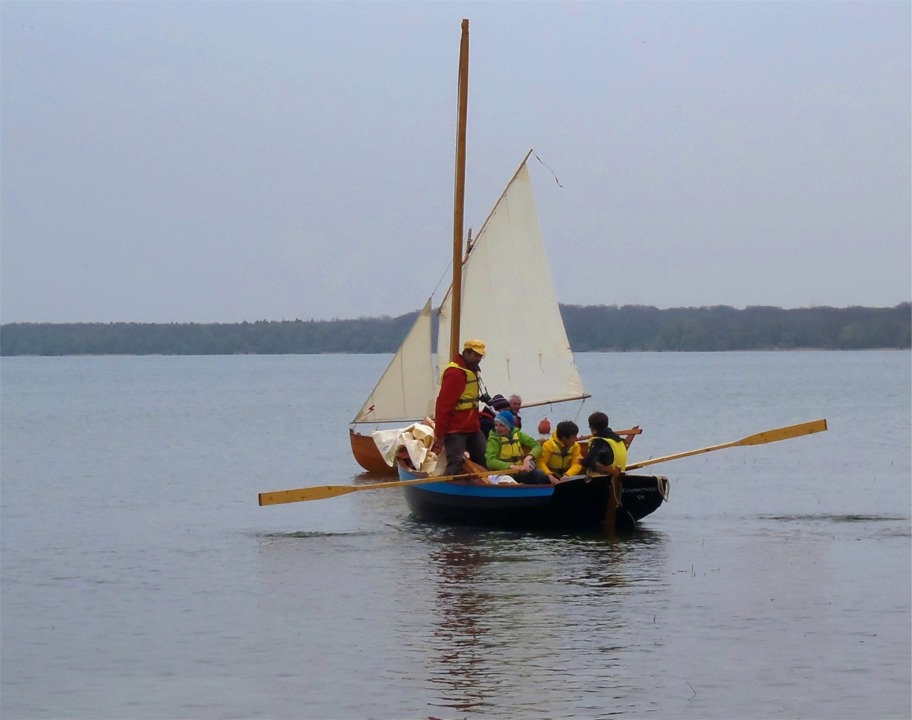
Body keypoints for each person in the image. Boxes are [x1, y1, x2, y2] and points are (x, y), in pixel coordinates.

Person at [433, 339, 489, 476]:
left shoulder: (471, 370)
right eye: (476, 355)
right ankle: (445, 490)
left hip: (472, 427)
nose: (479, 359)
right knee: (455, 462)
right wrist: (440, 435)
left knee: (486, 458)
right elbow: (443, 406)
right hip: (456, 429)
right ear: (467, 353)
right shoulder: (455, 373)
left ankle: (485, 487)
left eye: (481, 356)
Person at [485, 410, 549, 485]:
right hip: (503, 474)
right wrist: (512, 467)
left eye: (501, 425)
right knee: (509, 482)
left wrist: (527, 459)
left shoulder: (518, 434)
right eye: (496, 425)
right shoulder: (494, 439)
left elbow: (537, 446)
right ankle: (518, 488)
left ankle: (536, 494)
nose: (497, 428)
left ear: (509, 426)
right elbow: (490, 461)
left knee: (540, 474)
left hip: (519, 473)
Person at [537, 420, 583, 484]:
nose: (576, 439)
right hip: (551, 478)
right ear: (564, 438)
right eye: (573, 437)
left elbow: (576, 464)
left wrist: (567, 475)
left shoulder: (575, 446)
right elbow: (540, 463)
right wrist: (550, 476)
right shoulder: (548, 445)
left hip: (567, 478)